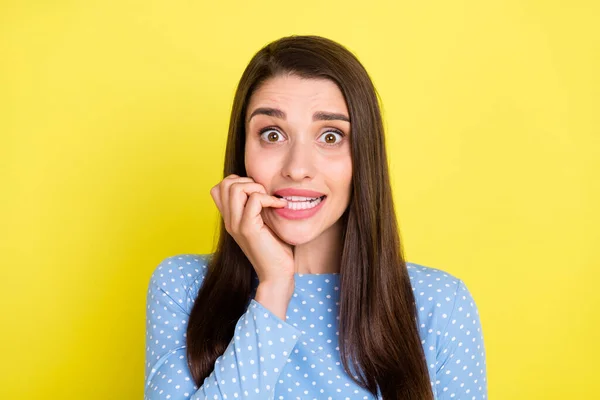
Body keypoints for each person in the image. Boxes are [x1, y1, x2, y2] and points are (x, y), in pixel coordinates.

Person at [144, 35, 487, 400]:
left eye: (330, 136)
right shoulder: (181, 287)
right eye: (272, 134)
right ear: (242, 151)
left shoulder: (440, 305)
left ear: (363, 158)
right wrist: (274, 285)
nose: (298, 169)